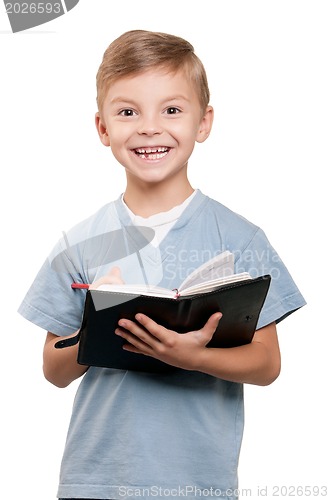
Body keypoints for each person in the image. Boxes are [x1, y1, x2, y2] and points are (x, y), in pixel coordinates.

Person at [18, 30, 306, 500]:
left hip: (197, 483)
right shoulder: (81, 244)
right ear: (103, 128)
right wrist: (98, 325)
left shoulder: (240, 239)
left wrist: (192, 358)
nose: (150, 127)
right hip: (96, 480)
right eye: (128, 111)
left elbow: (268, 363)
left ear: (203, 122)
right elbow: (54, 370)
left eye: (171, 110)